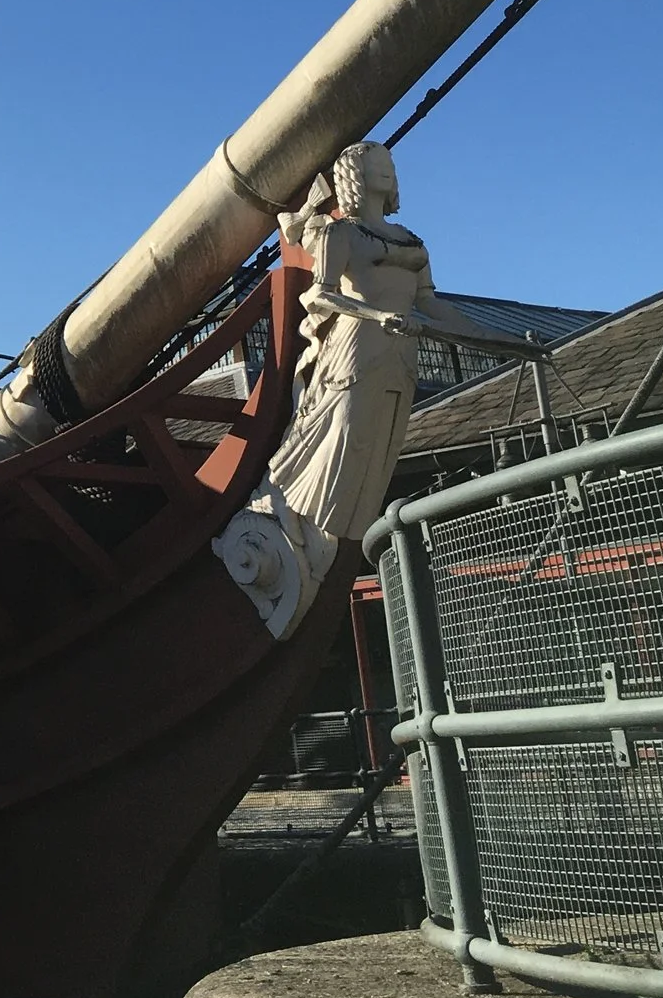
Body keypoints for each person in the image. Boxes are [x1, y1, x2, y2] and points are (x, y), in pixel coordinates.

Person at [214, 141, 536, 636]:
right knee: (340, 435)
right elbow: (321, 294)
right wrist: (377, 315)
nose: (386, 169)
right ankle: (291, 517)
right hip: (355, 350)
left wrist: (500, 340)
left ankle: (323, 542)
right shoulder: (340, 232)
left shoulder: (412, 241)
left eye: (389, 163)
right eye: (374, 165)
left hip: (400, 358)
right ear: (354, 176)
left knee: (377, 451)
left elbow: (434, 307)